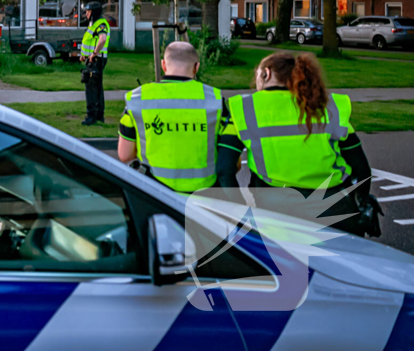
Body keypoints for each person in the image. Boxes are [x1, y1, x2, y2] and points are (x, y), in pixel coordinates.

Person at [218, 52, 373, 236]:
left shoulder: (244, 108)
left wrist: (239, 212)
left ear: (266, 74)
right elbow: (362, 169)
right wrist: (361, 201)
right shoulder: (329, 105)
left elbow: (224, 169)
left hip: (276, 215)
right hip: (334, 211)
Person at [118, 42, 224, 194]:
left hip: (156, 194)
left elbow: (125, 154)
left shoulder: (138, 99)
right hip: (204, 197)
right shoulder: (215, 100)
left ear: (163, 65)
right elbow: (233, 162)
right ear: (197, 67)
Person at [80, 1, 110, 125]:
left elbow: (102, 39)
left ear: (94, 13)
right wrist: (85, 55)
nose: (86, 13)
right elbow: (92, 41)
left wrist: (94, 54)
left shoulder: (101, 24)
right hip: (93, 59)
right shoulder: (94, 24)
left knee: (91, 88)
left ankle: (91, 116)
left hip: (96, 60)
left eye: (88, 11)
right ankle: (99, 115)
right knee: (97, 87)